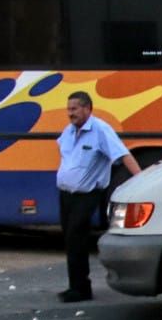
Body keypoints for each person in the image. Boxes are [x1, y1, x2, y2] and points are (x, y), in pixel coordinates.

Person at [56, 91, 142, 303]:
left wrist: (142, 180)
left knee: (77, 236)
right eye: (69, 109)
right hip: (66, 194)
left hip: (86, 195)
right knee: (70, 239)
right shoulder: (69, 131)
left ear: (87, 109)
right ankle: (75, 286)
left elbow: (123, 155)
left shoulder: (101, 130)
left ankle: (81, 289)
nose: (70, 113)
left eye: (74, 109)